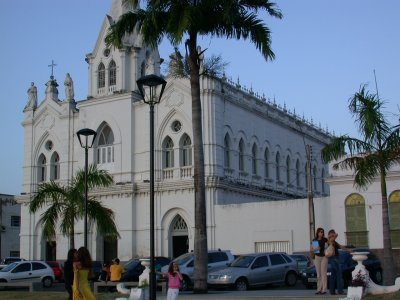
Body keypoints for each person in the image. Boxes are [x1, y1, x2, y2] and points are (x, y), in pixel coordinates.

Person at [327, 229, 352, 295]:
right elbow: (335, 235)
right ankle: (340, 291)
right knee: (339, 275)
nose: (334, 235)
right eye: (333, 234)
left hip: (333, 259)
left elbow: (341, 246)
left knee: (333, 276)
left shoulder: (334, 242)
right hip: (334, 259)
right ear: (331, 235)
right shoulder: (330, 241)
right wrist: (333, 235)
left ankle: (332, 291)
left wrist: (348, 250)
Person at [311, 228, 328, 295]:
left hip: (324, 257)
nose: (322, 233)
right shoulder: (314, 240)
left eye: (322, 232)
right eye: (320, 232)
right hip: (317, 257)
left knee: (323, 273)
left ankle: (324, 289)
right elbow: (314, 250)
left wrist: (325, 248)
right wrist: (316, 249)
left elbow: (328, 246)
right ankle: (319, 289)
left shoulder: (325, 239)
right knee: (318, 274)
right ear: (317, 233)